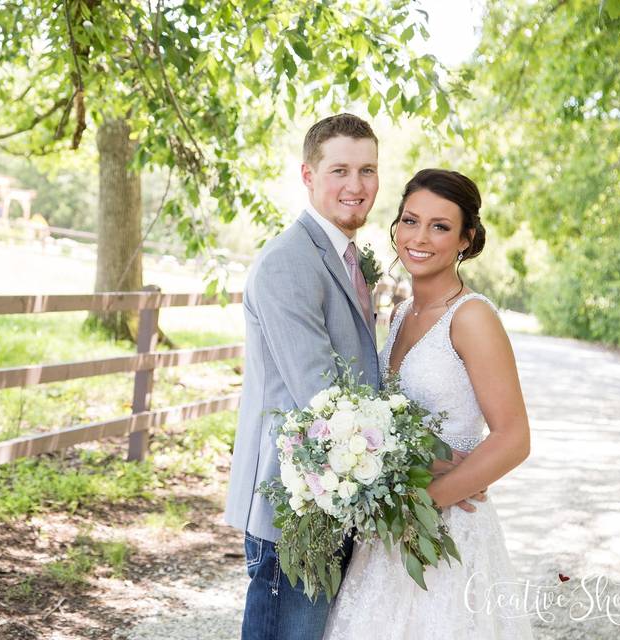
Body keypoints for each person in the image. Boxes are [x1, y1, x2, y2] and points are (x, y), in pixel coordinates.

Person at [323, 169, 533, 639]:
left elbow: (514, 438)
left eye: (440, 226)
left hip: (445, 529)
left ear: (466, 239)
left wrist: (428, 501)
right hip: (390, 526)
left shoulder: (472, 317)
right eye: (410, 220)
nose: (419, 237)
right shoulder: (399, 314)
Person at [224, 113, 382, 640]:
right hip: (291, 507)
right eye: (340, 170)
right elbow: (323, 396)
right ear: (308, 176)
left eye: (368, 171)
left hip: (331, 493)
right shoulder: (289, 262)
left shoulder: (342, 256)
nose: (356, 186)